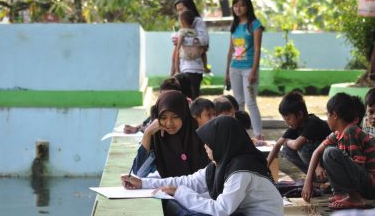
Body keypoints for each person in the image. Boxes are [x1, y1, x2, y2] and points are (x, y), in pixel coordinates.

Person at [122, 116, 283, 216]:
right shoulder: (221, 165)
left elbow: (221, 210)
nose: (205, 147)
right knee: (175, 204)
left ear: (222, 143)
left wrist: (179, 192)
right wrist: (142, 183)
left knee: (182, 207)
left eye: (209, 143)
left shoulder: (241, 172)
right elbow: (189, 181)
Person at [301, 93, 375, 209]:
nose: (327, 118)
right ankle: (342, 194)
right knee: (328, 153)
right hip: (362, 181)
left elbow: (359, 166)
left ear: (334, 115)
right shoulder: (338, 133)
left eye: (327, 114)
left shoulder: (351, 131)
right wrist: (308, 181)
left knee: (330, 153)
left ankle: (355, 198)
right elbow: (317, 152)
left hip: (370, 185)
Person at [131, 90, 209, 178]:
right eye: (163, 118)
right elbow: (139, 173)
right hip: (168, 190)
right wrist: (147, 133)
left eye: (175, 117)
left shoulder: (201, 135)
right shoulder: (157, 138)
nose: (169, 123)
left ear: (184, 114)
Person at [225, 0, 264, 140]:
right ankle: (241, 134)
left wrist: (254, 71)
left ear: (248, 6)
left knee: (250, 102)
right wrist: (227, 72)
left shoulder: (255, 25)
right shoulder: (234, 25)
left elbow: (257, 49)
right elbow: (230, 50)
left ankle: (258, 134)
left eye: (241, 5)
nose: (238, 8)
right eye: (235, 5)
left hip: (249, 68)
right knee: (238, 103)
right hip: (234, 68)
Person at [266, 91, 330, 177]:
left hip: (328, 157)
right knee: (286, 150)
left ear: (300, 114)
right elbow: (277, 145)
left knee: (303, 148)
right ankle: (314, 178)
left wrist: (287, 141)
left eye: (288, 119)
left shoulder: (313, 122)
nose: (286, 123)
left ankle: (320, 175)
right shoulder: (295, 126)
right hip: (316, 159)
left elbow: (296, 145)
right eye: (285, 120)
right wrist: (265, 168)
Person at [171, 0, 209, 100]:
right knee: (184, 98)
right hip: (183, 66)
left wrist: (184, 40)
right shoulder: (183, 24)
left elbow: (204, 40)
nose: (180, 13)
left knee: (193, 97)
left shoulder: (197, 21)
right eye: (178, 10)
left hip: (195, 68)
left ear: (189, 7)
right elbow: (177, 46)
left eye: (182, 9)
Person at [174, 10, 205, 77]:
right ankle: (205, 67)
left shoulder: (182, 32)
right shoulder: (196, 32)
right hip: (198, 67)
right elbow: (203, 51)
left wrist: (177, 70)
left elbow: (177, 50)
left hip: (186, 67)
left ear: (181, 21)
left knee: (178, 51)